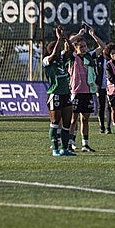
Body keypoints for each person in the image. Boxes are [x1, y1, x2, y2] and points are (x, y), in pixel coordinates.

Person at [68, 25, 106, 152]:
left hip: (88, 91)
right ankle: (70, 142)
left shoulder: (89, 56)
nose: (84, 48)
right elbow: (68, 43)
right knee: (73, 119)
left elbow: (103, 47)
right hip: (76, 91)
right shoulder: (72, 56)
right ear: (76, 47)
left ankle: (85, 144)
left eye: (85, 46)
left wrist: (93, 35)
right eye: (81, 46)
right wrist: (79, 34)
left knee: (85, 119)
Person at [42, 25, 76, 156]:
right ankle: (55, 148)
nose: (58, 52)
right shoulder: (47, 61)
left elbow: (71, 49)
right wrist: (58, 39)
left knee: (67, 122)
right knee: (55, 122)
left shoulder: (62, 59)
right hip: (54, 93)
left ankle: (65, 148)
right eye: (55, 50)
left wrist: (65, 37)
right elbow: (55, 54)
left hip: (66, 93)